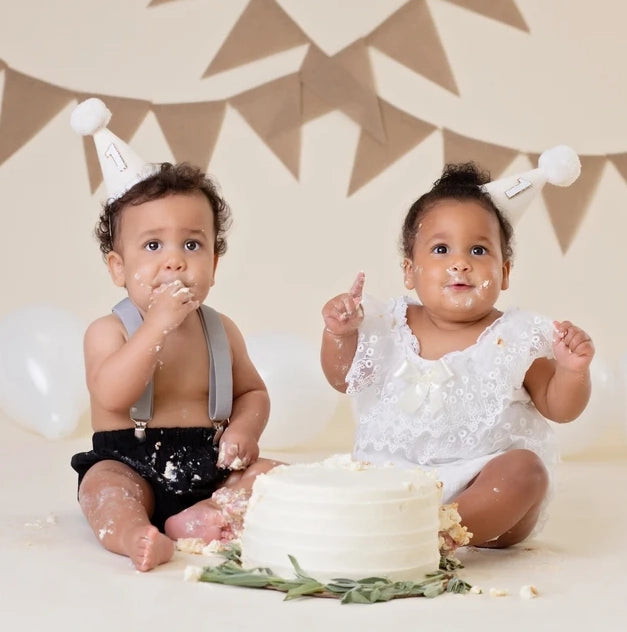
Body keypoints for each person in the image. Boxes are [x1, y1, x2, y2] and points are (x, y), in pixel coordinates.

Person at [320, 160, 594, 549]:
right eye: (441, 248)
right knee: (336, 485)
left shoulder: (516, 336)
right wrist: (340, 334)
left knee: (525, 471)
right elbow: (341, 377)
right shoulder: (387, 324)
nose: (460, 262)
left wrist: (572, 371)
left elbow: (559, 407)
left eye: (478, 250)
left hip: (483, 480)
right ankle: (403, 529)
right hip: (391, 478)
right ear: (409, 271)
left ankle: (435, 536)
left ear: (505, 271)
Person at [70, 98, 278, 572]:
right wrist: (157, 325)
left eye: (192, 243)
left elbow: (252, 391)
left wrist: (245, 428)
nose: (175, 260)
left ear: (215, 264)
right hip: (130, 461)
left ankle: (200, 516)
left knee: (273, 480)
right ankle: (135, 533)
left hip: (210, 465)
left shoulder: (220, 330)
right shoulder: (108, 330)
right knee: (104, 489)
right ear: (118, 267)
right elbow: (113, 393)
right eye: (152, 245)